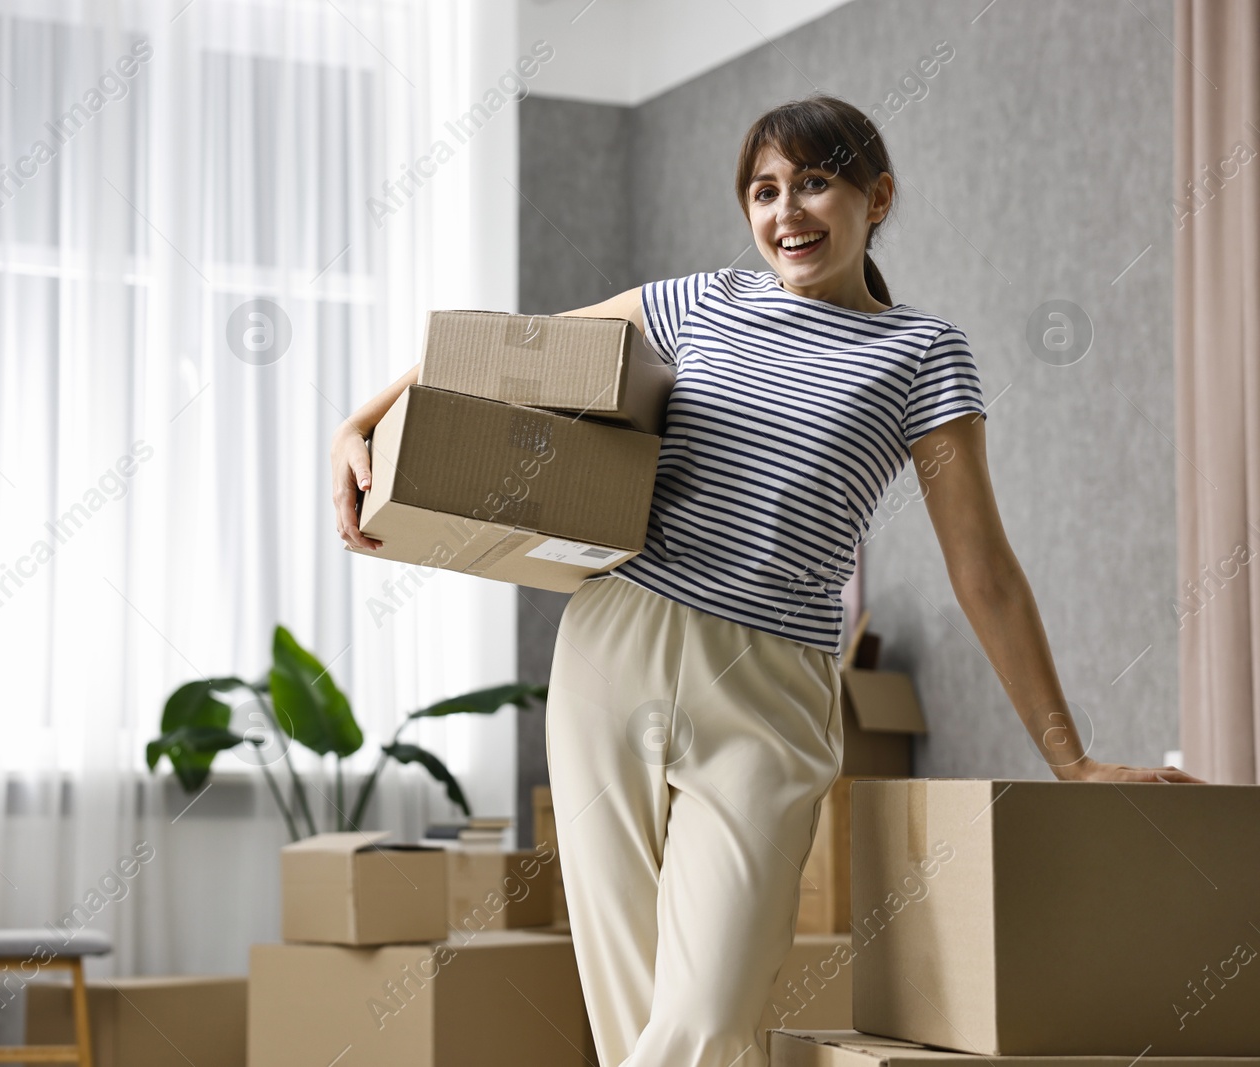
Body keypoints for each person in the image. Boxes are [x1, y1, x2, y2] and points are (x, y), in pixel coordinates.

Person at [328, 93, 1203, 1067]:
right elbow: (506, 350)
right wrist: (357, 425)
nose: (787, 211)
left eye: (815, 182)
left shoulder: (921, 352)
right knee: (629, 1011)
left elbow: (983, 569)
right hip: (614, 642)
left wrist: (1069, 757)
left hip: (771, 685)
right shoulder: (702, 301)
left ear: (877, 196)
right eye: (764, 188)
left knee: (707, 1013)